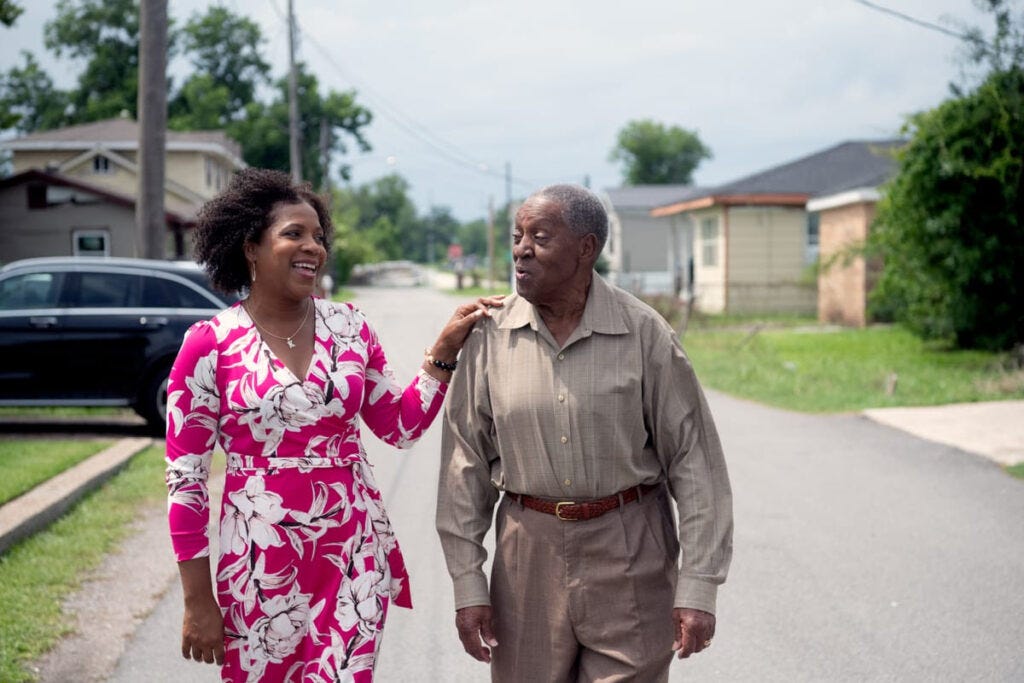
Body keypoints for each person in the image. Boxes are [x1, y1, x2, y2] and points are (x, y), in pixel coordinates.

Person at [165, 167, 501, 682]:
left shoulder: (349, 326)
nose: (313, 247)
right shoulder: (210, 344)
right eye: (294, 234)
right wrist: (197, 600)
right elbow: (186, 482)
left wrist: (443, 351)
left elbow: (399, 427)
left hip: (352, 554)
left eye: (319, 236)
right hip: (258, 560)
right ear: (250, 247)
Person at [436, 184, 733, 681]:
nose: (521, 249)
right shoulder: (489, 334)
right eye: (517, 236)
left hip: (631, 552)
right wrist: (468, 585)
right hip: (526, 557)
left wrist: (699, 586)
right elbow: (463, 465)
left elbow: (695, 462)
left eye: (540, 237)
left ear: (586, 248)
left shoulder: (644, 332)